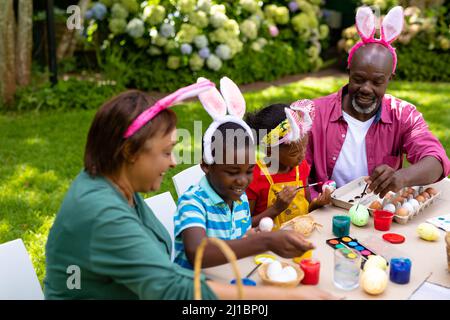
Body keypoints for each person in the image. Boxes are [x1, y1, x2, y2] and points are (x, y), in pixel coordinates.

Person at [44, 81, 336, 300]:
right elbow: (173, 287)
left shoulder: (113, 186)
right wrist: (289, 296)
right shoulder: (100, 212)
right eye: (166, 152)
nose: (173, 162)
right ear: (130, 152)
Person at [174, 77, 318, 270]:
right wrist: (264, 241)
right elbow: (198, 254)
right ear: (207, 166)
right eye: (233, 172)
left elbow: (241, 235)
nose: (242, 181)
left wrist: (252, 235)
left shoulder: (239, 200)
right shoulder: (193, 203)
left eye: (249, 170)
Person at [307, 6, 450, 198]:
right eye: (358, 79)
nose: (366, 88)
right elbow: (282, 166)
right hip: (324, 212)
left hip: (376, 213)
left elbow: (437, 161)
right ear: (348, 72)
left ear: (389, 79)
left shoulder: (403, 115)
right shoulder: (313, 113)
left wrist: (403, 177)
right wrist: (314, 199)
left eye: (377, 82)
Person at [245, 100, 332, 229]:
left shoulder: (301, 167)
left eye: (304, 148)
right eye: (294, 153)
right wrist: (276, 209)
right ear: (270, 150)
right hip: (269, 244)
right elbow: (245, 225)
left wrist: (316, 204)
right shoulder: (253, 176)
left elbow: (306, 207)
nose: (302, 156)